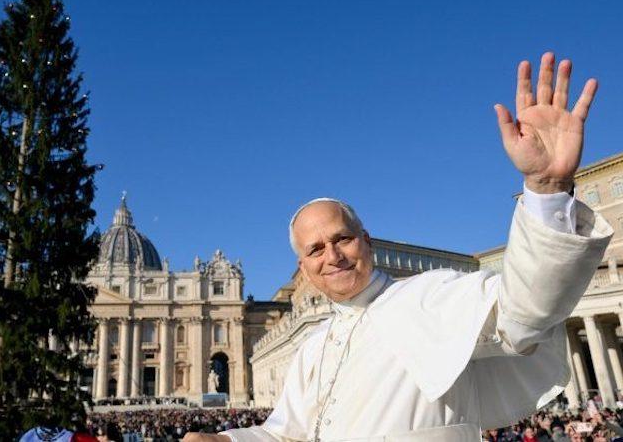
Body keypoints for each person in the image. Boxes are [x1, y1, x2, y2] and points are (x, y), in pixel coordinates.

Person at [184, 52, 613, 441]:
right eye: (315, 250)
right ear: (304, 266)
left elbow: (525, 312)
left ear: (366, 241)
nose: (332, 256)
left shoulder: (432, 296)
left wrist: (546, 187)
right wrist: (225, 440)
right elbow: (286, 433)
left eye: (342, 239)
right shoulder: (314, 346)